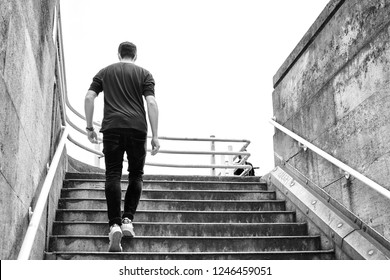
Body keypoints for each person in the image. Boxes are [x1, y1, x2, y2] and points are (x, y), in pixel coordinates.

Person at [84, 41, 160, 252]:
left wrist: (89, 126)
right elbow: (152, 103)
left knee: (113, 175)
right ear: (135, 56)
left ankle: (114, 224)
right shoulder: (145, 74)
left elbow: (90, 96)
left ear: (119, 54)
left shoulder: (105, 72)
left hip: (112, 128)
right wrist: (155, 136)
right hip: (137, 129)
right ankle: (127, 220)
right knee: (136, 174)